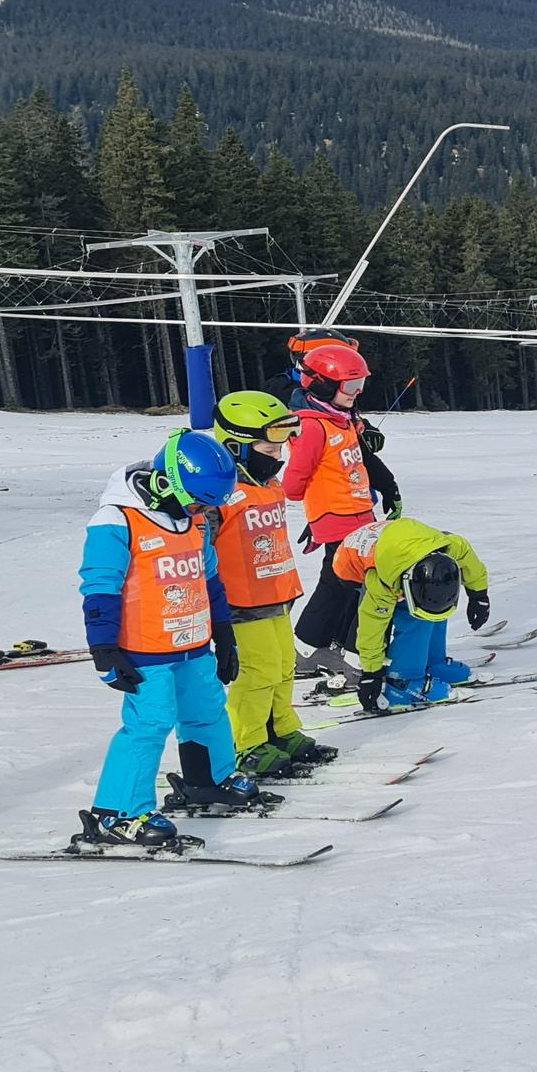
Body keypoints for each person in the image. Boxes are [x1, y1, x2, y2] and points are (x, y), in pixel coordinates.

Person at [75, 431, 267, 848]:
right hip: (144, 650)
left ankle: (209, 780)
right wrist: (104, 649)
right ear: (168, 486)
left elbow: (209, 576)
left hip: (193, 642)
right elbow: (99, 587)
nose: (203, 512)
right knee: (148, 725)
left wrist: (224, 632)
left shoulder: (193, 518)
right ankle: (117, 813)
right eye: (199, 502)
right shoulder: (117, 520)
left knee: (207, 711)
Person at [209, 393, 334, 780]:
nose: (278, 454)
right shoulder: (219, 493)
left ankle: (280, 730)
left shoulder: (268, 482)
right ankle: (245, 742)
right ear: (236, 445)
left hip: (277, 594)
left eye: (281, 445)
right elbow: (201, 547)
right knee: (257, 673)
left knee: (283, 667)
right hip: (241, 603)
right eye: (269, 445)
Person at [285, 342, 398, 680]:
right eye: (349, 386)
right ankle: (333, 652)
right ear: (321, 383)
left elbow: (359, 463)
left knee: (340, 586)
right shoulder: (313, 427)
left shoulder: (342, 420)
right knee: (354, 585)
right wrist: (322, 504)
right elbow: (293, 484)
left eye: (360, 385)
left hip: (360, 517)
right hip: (337, 520)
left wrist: (386, 486)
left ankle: (313, 648)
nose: (356, 393)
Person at [336, 517, 494, 713]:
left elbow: (470, 560)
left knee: (433, 605)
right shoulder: (383, 583)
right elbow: (371, 628)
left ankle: (432, 662)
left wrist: (478, 595)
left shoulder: (451, 547)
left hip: (399, 546)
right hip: (350, 564)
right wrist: (371, 673)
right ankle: (403, 681)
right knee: (414, 618)